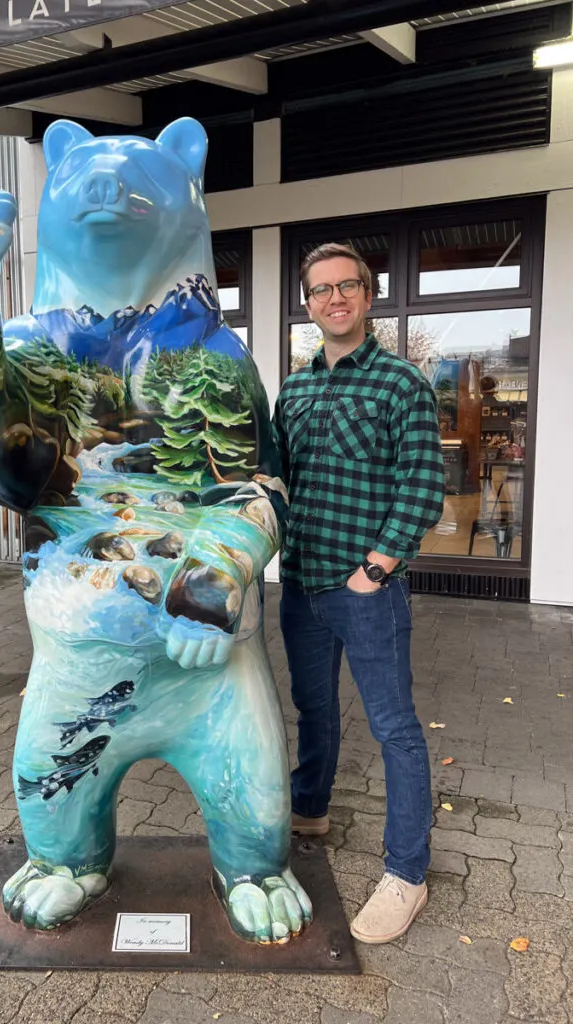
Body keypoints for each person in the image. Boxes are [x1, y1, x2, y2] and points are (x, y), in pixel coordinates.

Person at [272, 242, 445, 944]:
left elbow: (423, 486)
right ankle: (308, 810)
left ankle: (407, 873)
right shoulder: (295, 388)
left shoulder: (402, 384)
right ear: (309, 304)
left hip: (365, 590)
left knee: (395, 729)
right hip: (302, 582)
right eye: (321, 289)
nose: (334, 298)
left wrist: (374, 569)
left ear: (368, 297)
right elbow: (279, 478)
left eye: (348, 286)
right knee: (313, 710)